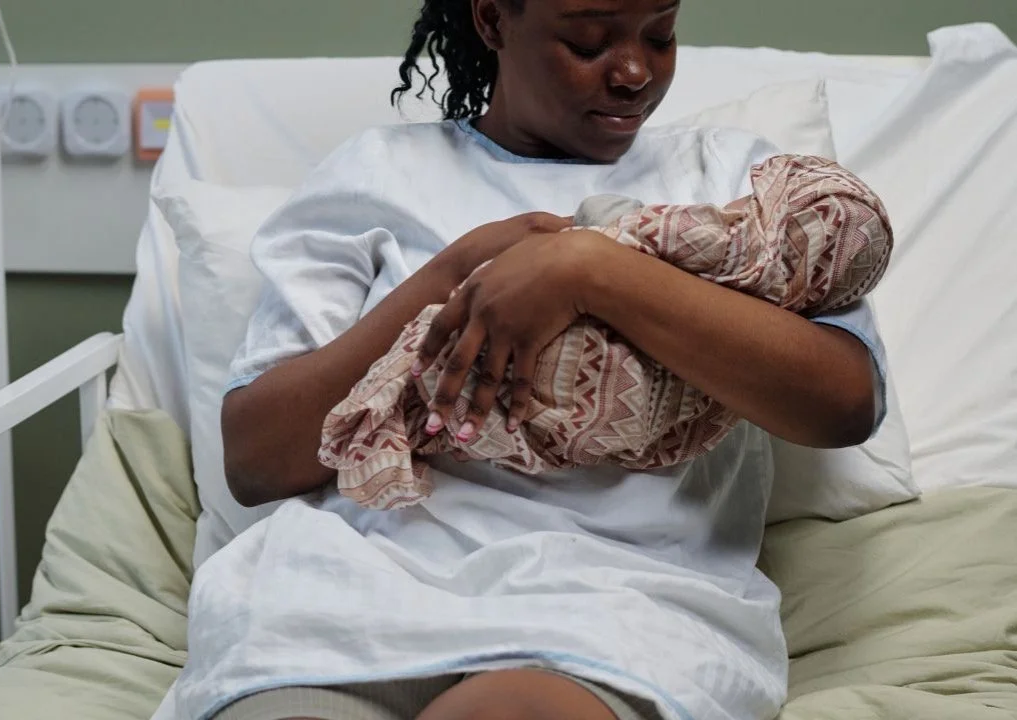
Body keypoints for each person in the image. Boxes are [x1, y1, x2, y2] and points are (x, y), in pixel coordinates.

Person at [154, 1, 887, 719]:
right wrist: (453, 276)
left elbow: (843, 403)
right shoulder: (375, 174)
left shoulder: (738, 188)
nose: (633, 70)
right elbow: (254, 460)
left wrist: (586, 272)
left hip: (614, 608)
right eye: (589, 41)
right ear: (492, 21)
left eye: (659, 35)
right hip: (351, 601)